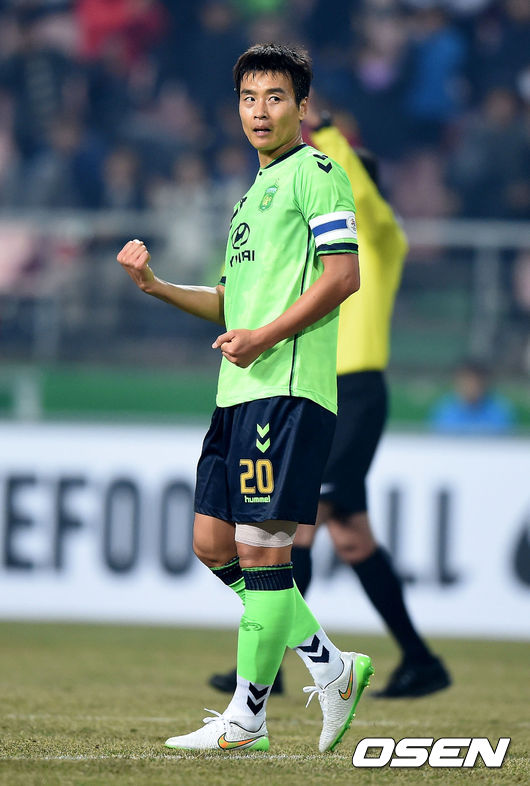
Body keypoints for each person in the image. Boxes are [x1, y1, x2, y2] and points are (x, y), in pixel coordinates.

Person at [117, 43, 373, 753]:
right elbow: (229, 300)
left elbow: (343, 277)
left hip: (286, 388)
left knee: (263, 556)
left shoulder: (317, 174)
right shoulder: (250, 196)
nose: (260, 111)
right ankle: (332, 667)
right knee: (213, 544)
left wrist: (264, 337)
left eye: (275, 97)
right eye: (248, 98)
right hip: (238, 391)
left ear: (302, 106)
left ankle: (248, 718)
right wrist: (156, 286)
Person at [210, 113, 451, 700]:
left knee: (297, 530)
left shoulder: (381, 233)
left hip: (356, 390)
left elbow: (353, 187)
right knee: (351, 538)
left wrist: (324, 130)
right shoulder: (321, 244)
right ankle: (421, 661)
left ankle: (271, 671)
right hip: (324, 391)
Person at [430, 358, 516, 434]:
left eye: (474, 382)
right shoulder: (444, 411)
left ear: (484, 383)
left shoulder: (500, 412)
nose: (470, 386)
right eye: (465, 381)